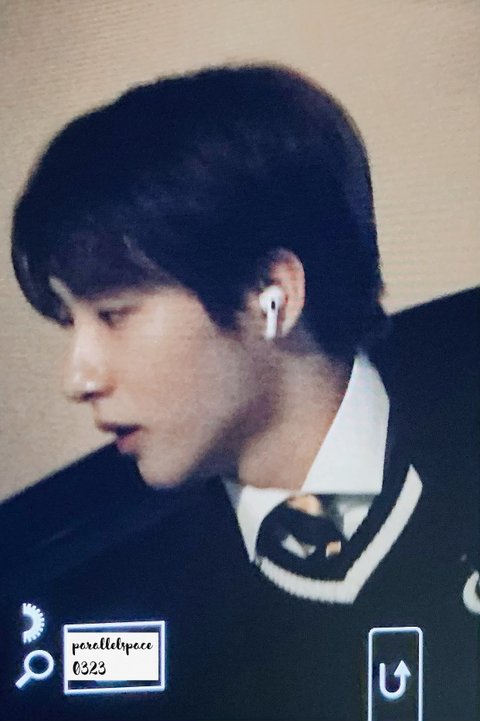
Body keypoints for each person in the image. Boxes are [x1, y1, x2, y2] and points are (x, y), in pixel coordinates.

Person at [0, 64, 478, 721]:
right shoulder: (82, 599)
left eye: (113, 314)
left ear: (270, 295)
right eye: (69, 322)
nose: (77, 379)